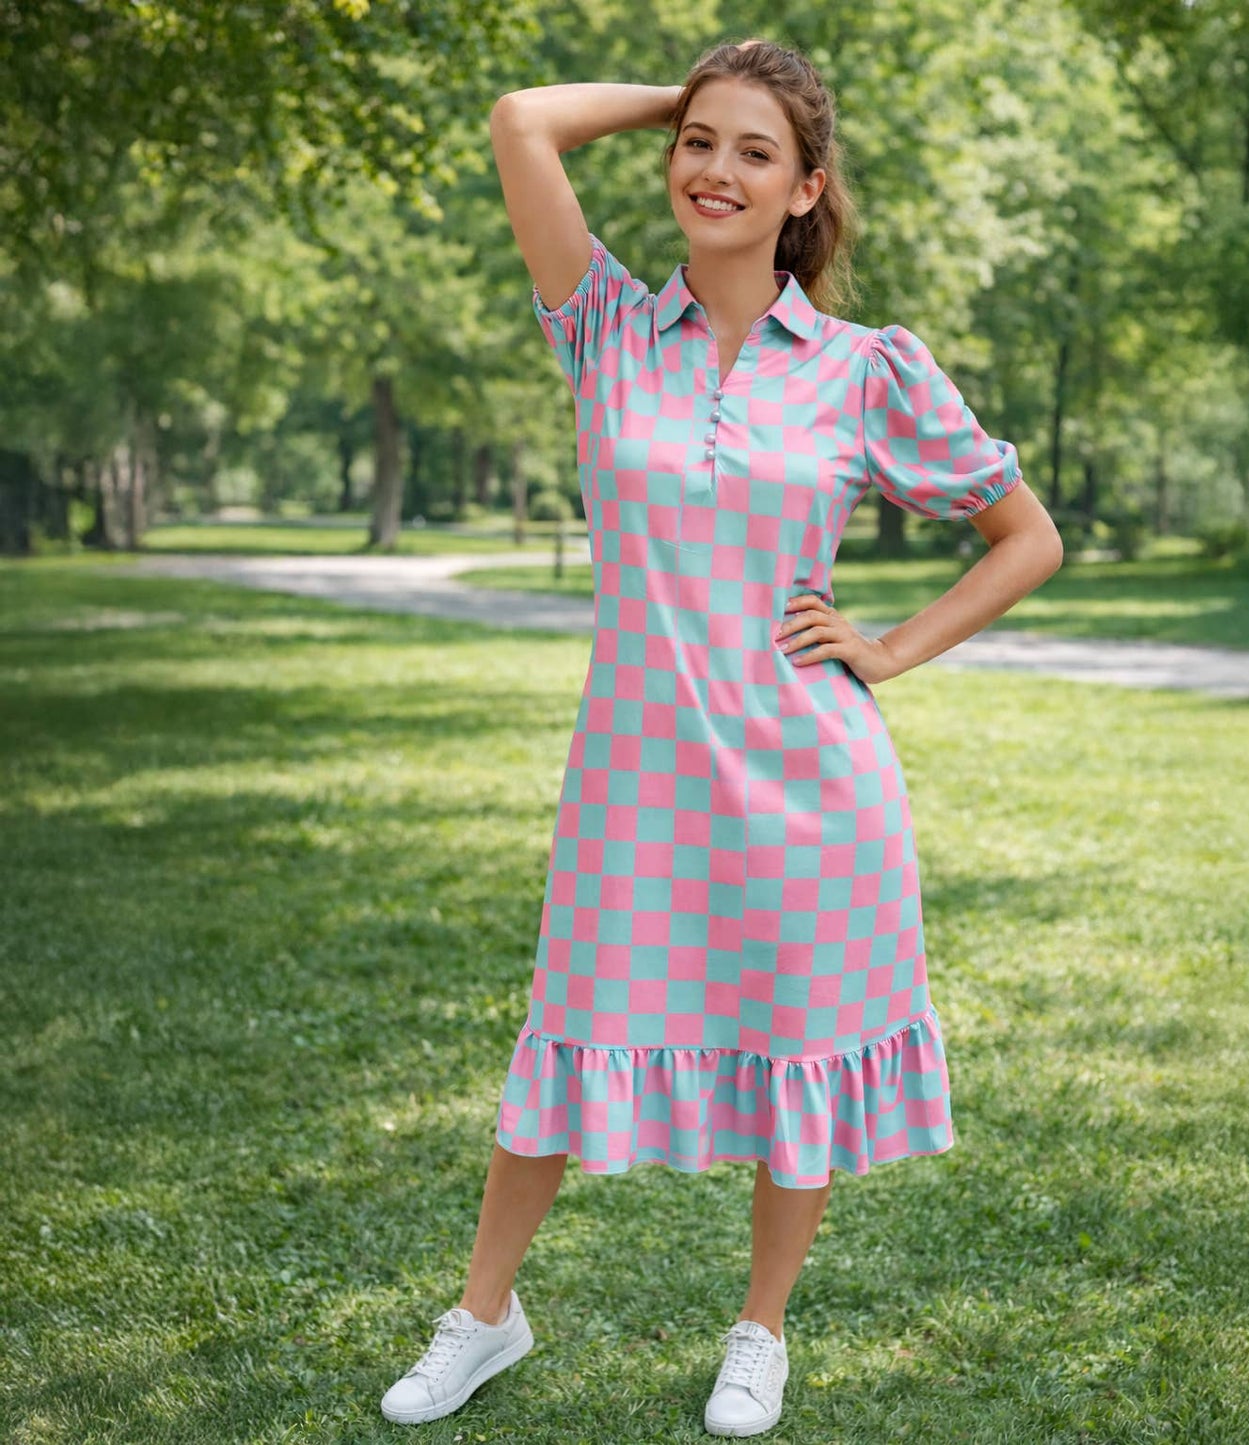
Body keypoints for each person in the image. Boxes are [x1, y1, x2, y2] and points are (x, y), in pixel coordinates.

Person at [380, 36, 1063, 1437]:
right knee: (562, 1046)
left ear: (804, 190)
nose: (714, 170)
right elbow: (520, 120)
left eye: (756, 152)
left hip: (811, 784)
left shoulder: (868, 369)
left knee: (799, 1048)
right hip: (633, 781)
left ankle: (759, 1333)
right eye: (699, 144)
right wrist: (687, 91)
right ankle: (484, 1316)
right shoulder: (606, 327)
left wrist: (885, 649)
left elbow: (1024, 535)